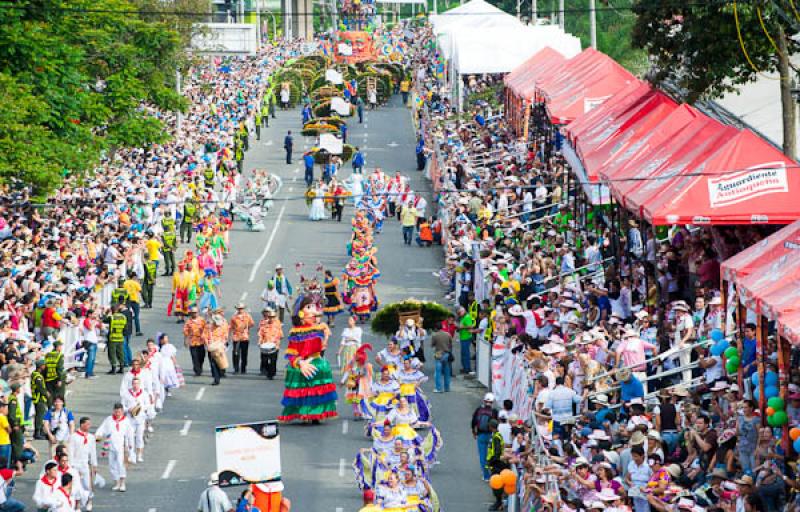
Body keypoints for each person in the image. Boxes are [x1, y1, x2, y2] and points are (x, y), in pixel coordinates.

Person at [278, 295, 338, 423]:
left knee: (316, 391)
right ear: (301, 312)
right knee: (303, 390)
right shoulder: (295, 332)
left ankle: (316, 414)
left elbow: (321, 347)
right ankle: (304, 413)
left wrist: (325, 336)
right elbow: (291, 353)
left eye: (314, 307)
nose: (313, 311)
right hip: (301, 362)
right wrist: (301, 363)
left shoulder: (319, 328)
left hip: (316, 361)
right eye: (309, 307)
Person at [95, 403, 134, 492]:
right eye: (116, 411)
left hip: (121, 446)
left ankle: (122, 483)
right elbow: (102, 429)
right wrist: (97, 435)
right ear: (114, 411)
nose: (117, 413)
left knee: (121, 464)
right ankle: (117, 482)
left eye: (119, 411)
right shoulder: (109, 419)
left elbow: (130, 433)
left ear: (122, 411)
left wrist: (130, 444)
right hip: (111, 445)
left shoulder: (126, 421)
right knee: (112, 465)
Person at [67, 416, 97, 508]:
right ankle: (78, 505)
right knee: (76, 485)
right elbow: (70, 452)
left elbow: (93, 451)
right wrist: (71, 466)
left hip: (85, 464)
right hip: (76, 464)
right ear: (82, 424)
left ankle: (89, 500)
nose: (89, 426)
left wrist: (94, 464)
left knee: (88, 484)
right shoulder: (73, 437)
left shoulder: (91, 437)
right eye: (87, 424)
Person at [472, 393, 498, 481]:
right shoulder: (494, 411)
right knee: (491, 454)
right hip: (491, 435)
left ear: (484, 401)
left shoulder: (479, 409)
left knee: (483, 456)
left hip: (481, 435)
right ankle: (493, 473)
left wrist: (474, 432)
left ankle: (486, 476)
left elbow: (473, 421)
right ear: (492, 402)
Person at [230, 303, 255, 375]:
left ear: (243, 309)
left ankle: (243, 368)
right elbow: (231, 326)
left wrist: (246, 329)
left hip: (245, 337)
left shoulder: (247, 316)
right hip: (236, 337)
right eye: (239, 308)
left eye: (241, 308)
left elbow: (252, 323)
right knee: (235, 353)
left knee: (244, 354)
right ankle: (236, 368)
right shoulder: (234, 317)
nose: (240, 310)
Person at [258, 308, 282, 380]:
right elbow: (260, 334)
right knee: (264, 361)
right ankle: (268, 370)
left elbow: (281, 336)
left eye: (273, 317)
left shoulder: (277, 326)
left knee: (273, 361)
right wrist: (260, 342)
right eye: (270, 317)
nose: (271, 319)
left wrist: (277, 343)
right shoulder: (264, 325)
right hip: (265, 346)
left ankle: (271, 374)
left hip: (274, 346)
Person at [184, 307, 207, 376]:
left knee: (202, 356)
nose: (194, 314)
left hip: (201, 341)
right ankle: (197, 370)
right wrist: (185, 341)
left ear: (198, 313)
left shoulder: (202, 320)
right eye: (193, 313)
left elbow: (206, 329)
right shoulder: (188, 322)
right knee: (194, 356)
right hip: (192, 341)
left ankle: (200, 366)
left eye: (196, 312)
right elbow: (186, 332)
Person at [431, 324, 453, 393]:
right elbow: (450, 344)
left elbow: (432, 345)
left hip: (438, 354)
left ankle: (438, 388)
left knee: (438, 372)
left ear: (436, 328)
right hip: (446, 354)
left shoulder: (435, 335)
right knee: (447, 372)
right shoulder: (448, 334)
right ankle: (447, 388)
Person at [31, 360, 49, 440]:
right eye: (44, 365)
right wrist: (46, 394)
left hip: (38, 398)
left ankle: (41, 431)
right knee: (40, 416)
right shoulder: (38, 377)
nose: (45, 366)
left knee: (41, 415)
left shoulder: (35, 374)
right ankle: (37, 432)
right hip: (39, 398)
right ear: (40, 366)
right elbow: (40, 388)